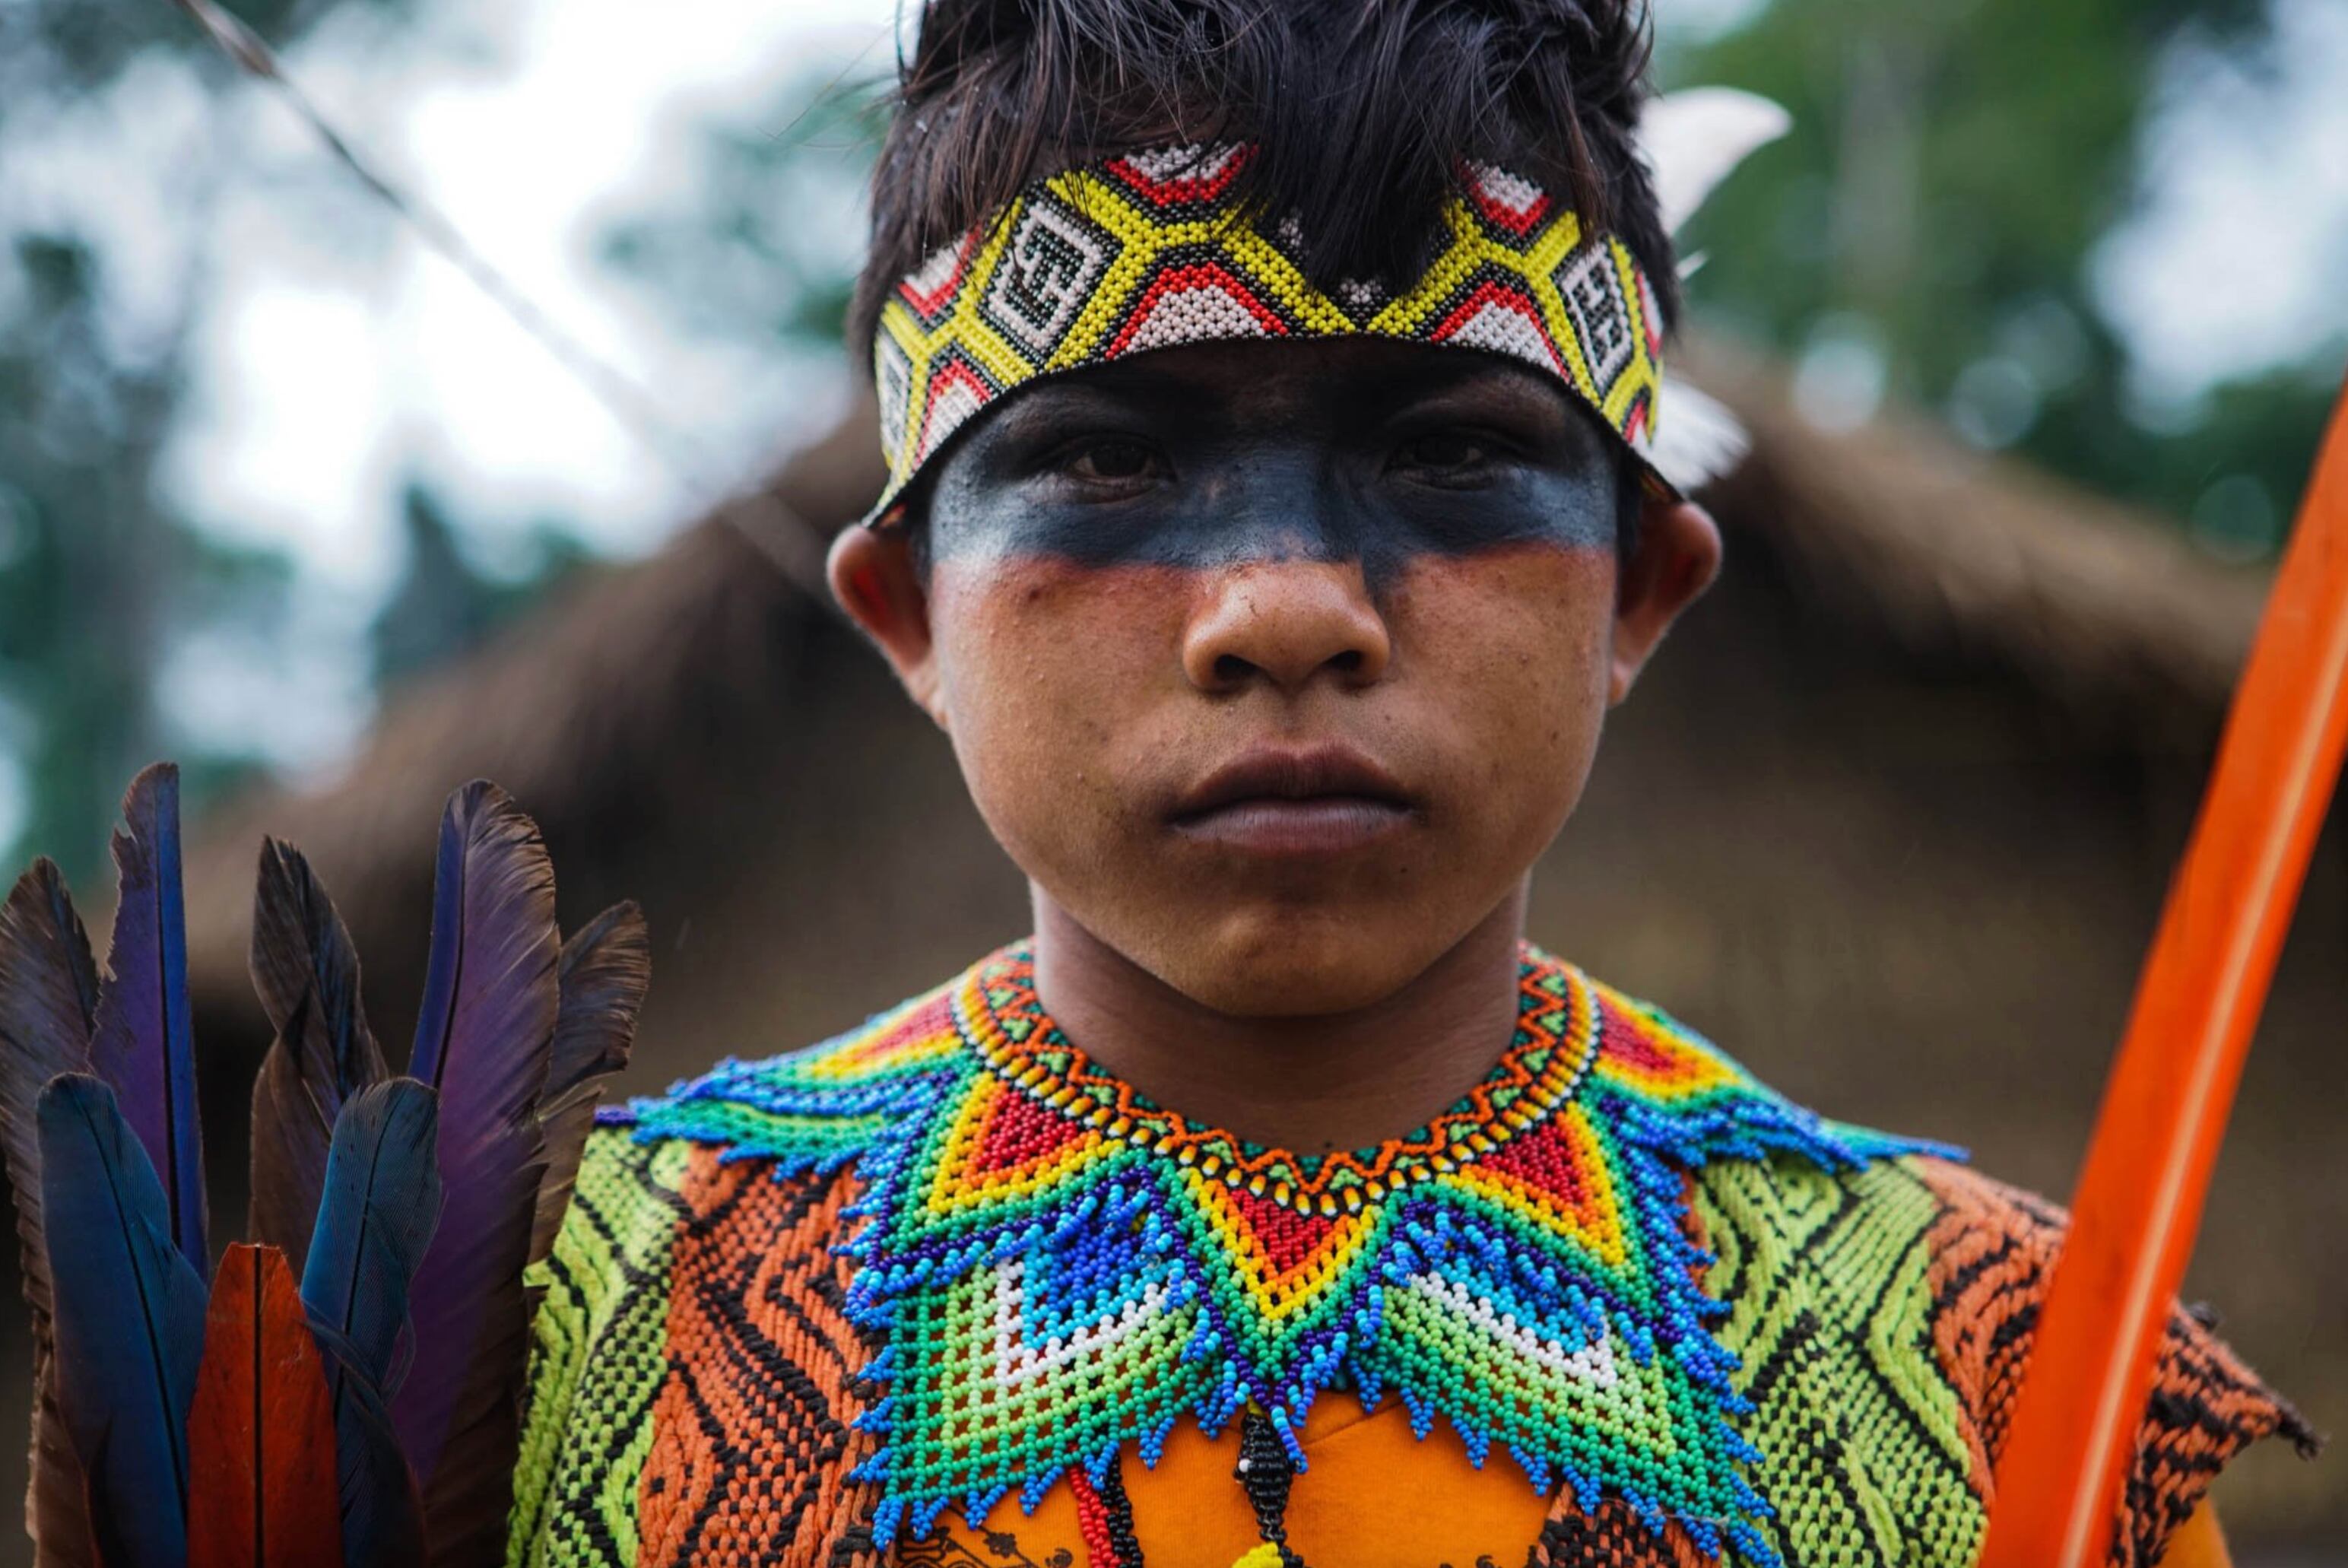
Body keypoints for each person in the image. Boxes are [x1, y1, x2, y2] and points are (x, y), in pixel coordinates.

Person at [503, 2, 2314, 1564]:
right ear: (907, 613)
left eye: (1450, 448)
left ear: (1639, 591)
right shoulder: (535, 1334)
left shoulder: (1990, 1365)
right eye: (1106, 463)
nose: (1286, 605)